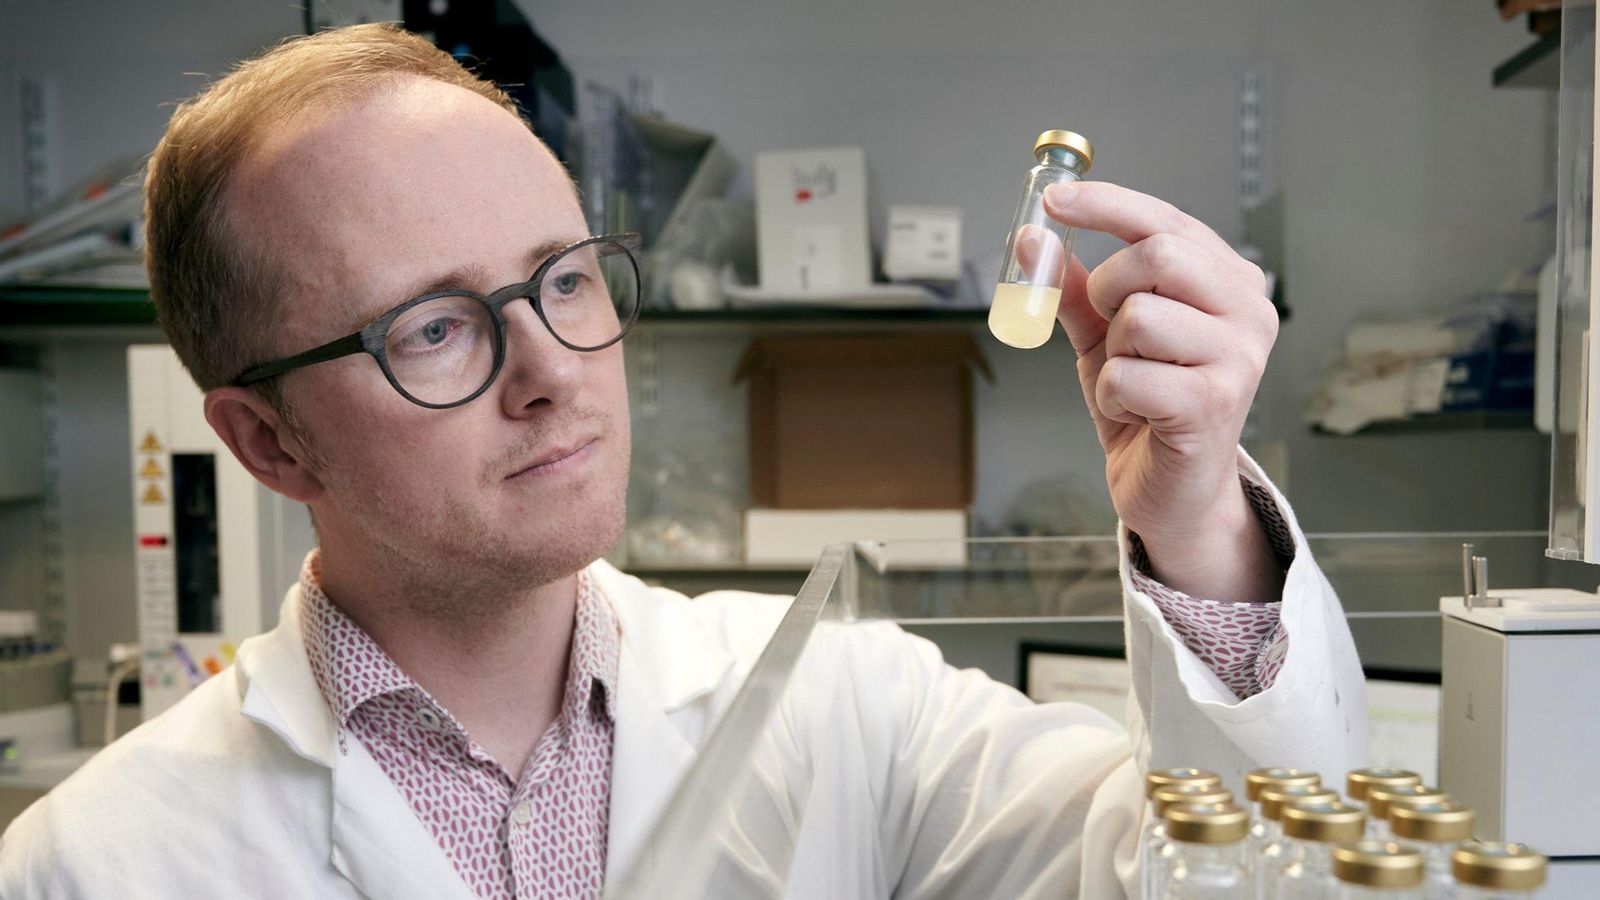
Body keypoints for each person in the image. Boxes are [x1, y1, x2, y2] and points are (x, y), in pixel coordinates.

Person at [0, 23, 1363, 899]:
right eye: (432, 326)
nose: (550, 371)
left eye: (564, 281)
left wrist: (1194, 521)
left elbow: (1241, 880)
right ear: (264, 438)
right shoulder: (96, 866)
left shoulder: (845, 709)